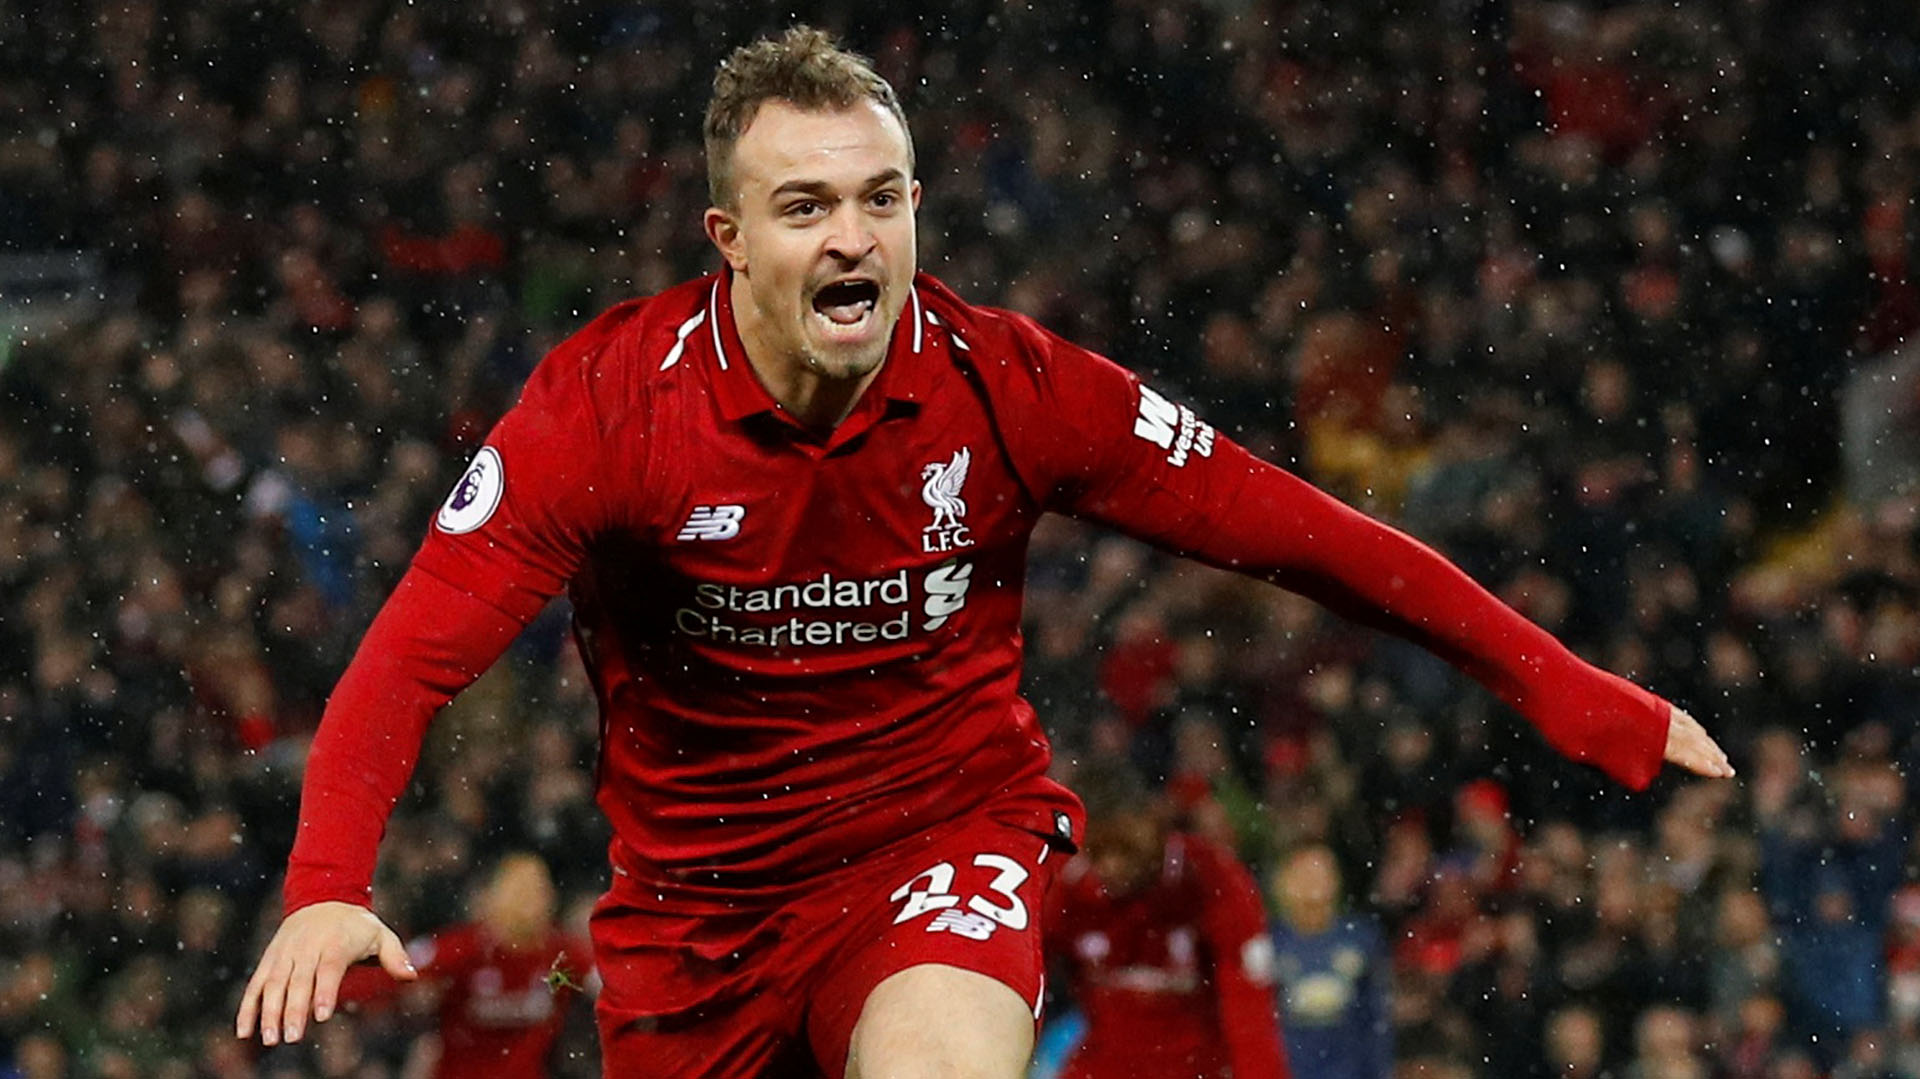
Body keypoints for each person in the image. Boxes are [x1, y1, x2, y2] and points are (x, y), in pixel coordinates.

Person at [235, 25, 1733, 1079]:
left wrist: (1567, 688)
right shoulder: (605, 412)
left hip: (939, 842)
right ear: (727, 237)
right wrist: (323, 877)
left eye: (881, 198)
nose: (855, 239)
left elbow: (1306, 534)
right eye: (806, 205)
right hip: (694, 924)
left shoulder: (1008, 387)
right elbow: (413, 652)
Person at [1048, 764, 1291, 1078]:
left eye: (1125, 849)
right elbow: (1019, 987)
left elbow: (1251, 1011)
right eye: (1099, 852)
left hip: (1197, 1067)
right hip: (1104, 1066)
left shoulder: (1212, 877)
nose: (1112, 866)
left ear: (1155, 820)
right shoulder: (1066, 885)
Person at [335, 852, 592, 1079]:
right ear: (494, 897)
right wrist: (328, 992)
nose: (527, 906)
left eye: (536, 894)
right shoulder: (465, 949)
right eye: (518, 894)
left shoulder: (560, 955)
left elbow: (611, 983)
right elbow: (391, 973)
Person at [1268, 845, 1392, 1079]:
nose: (1314, 882)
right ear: (1285, 882)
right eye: (1305, 874)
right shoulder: (1269, 943)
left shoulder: (1362, 938)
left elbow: (1376, 1018)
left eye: (1322, 872)